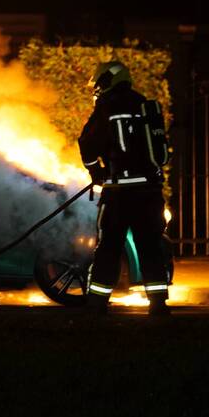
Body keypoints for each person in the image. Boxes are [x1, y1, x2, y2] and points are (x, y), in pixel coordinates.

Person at [78, 60, 172, 316]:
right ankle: (158, 304)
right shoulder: (145, 105)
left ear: (109, 80)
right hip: (150, 192)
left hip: (119, 194)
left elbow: (87, 144)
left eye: (100, 82)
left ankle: (97, 304)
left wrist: (96, 171)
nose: (97, 88)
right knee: (150, 246)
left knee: (109, 247)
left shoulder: (107, 106)